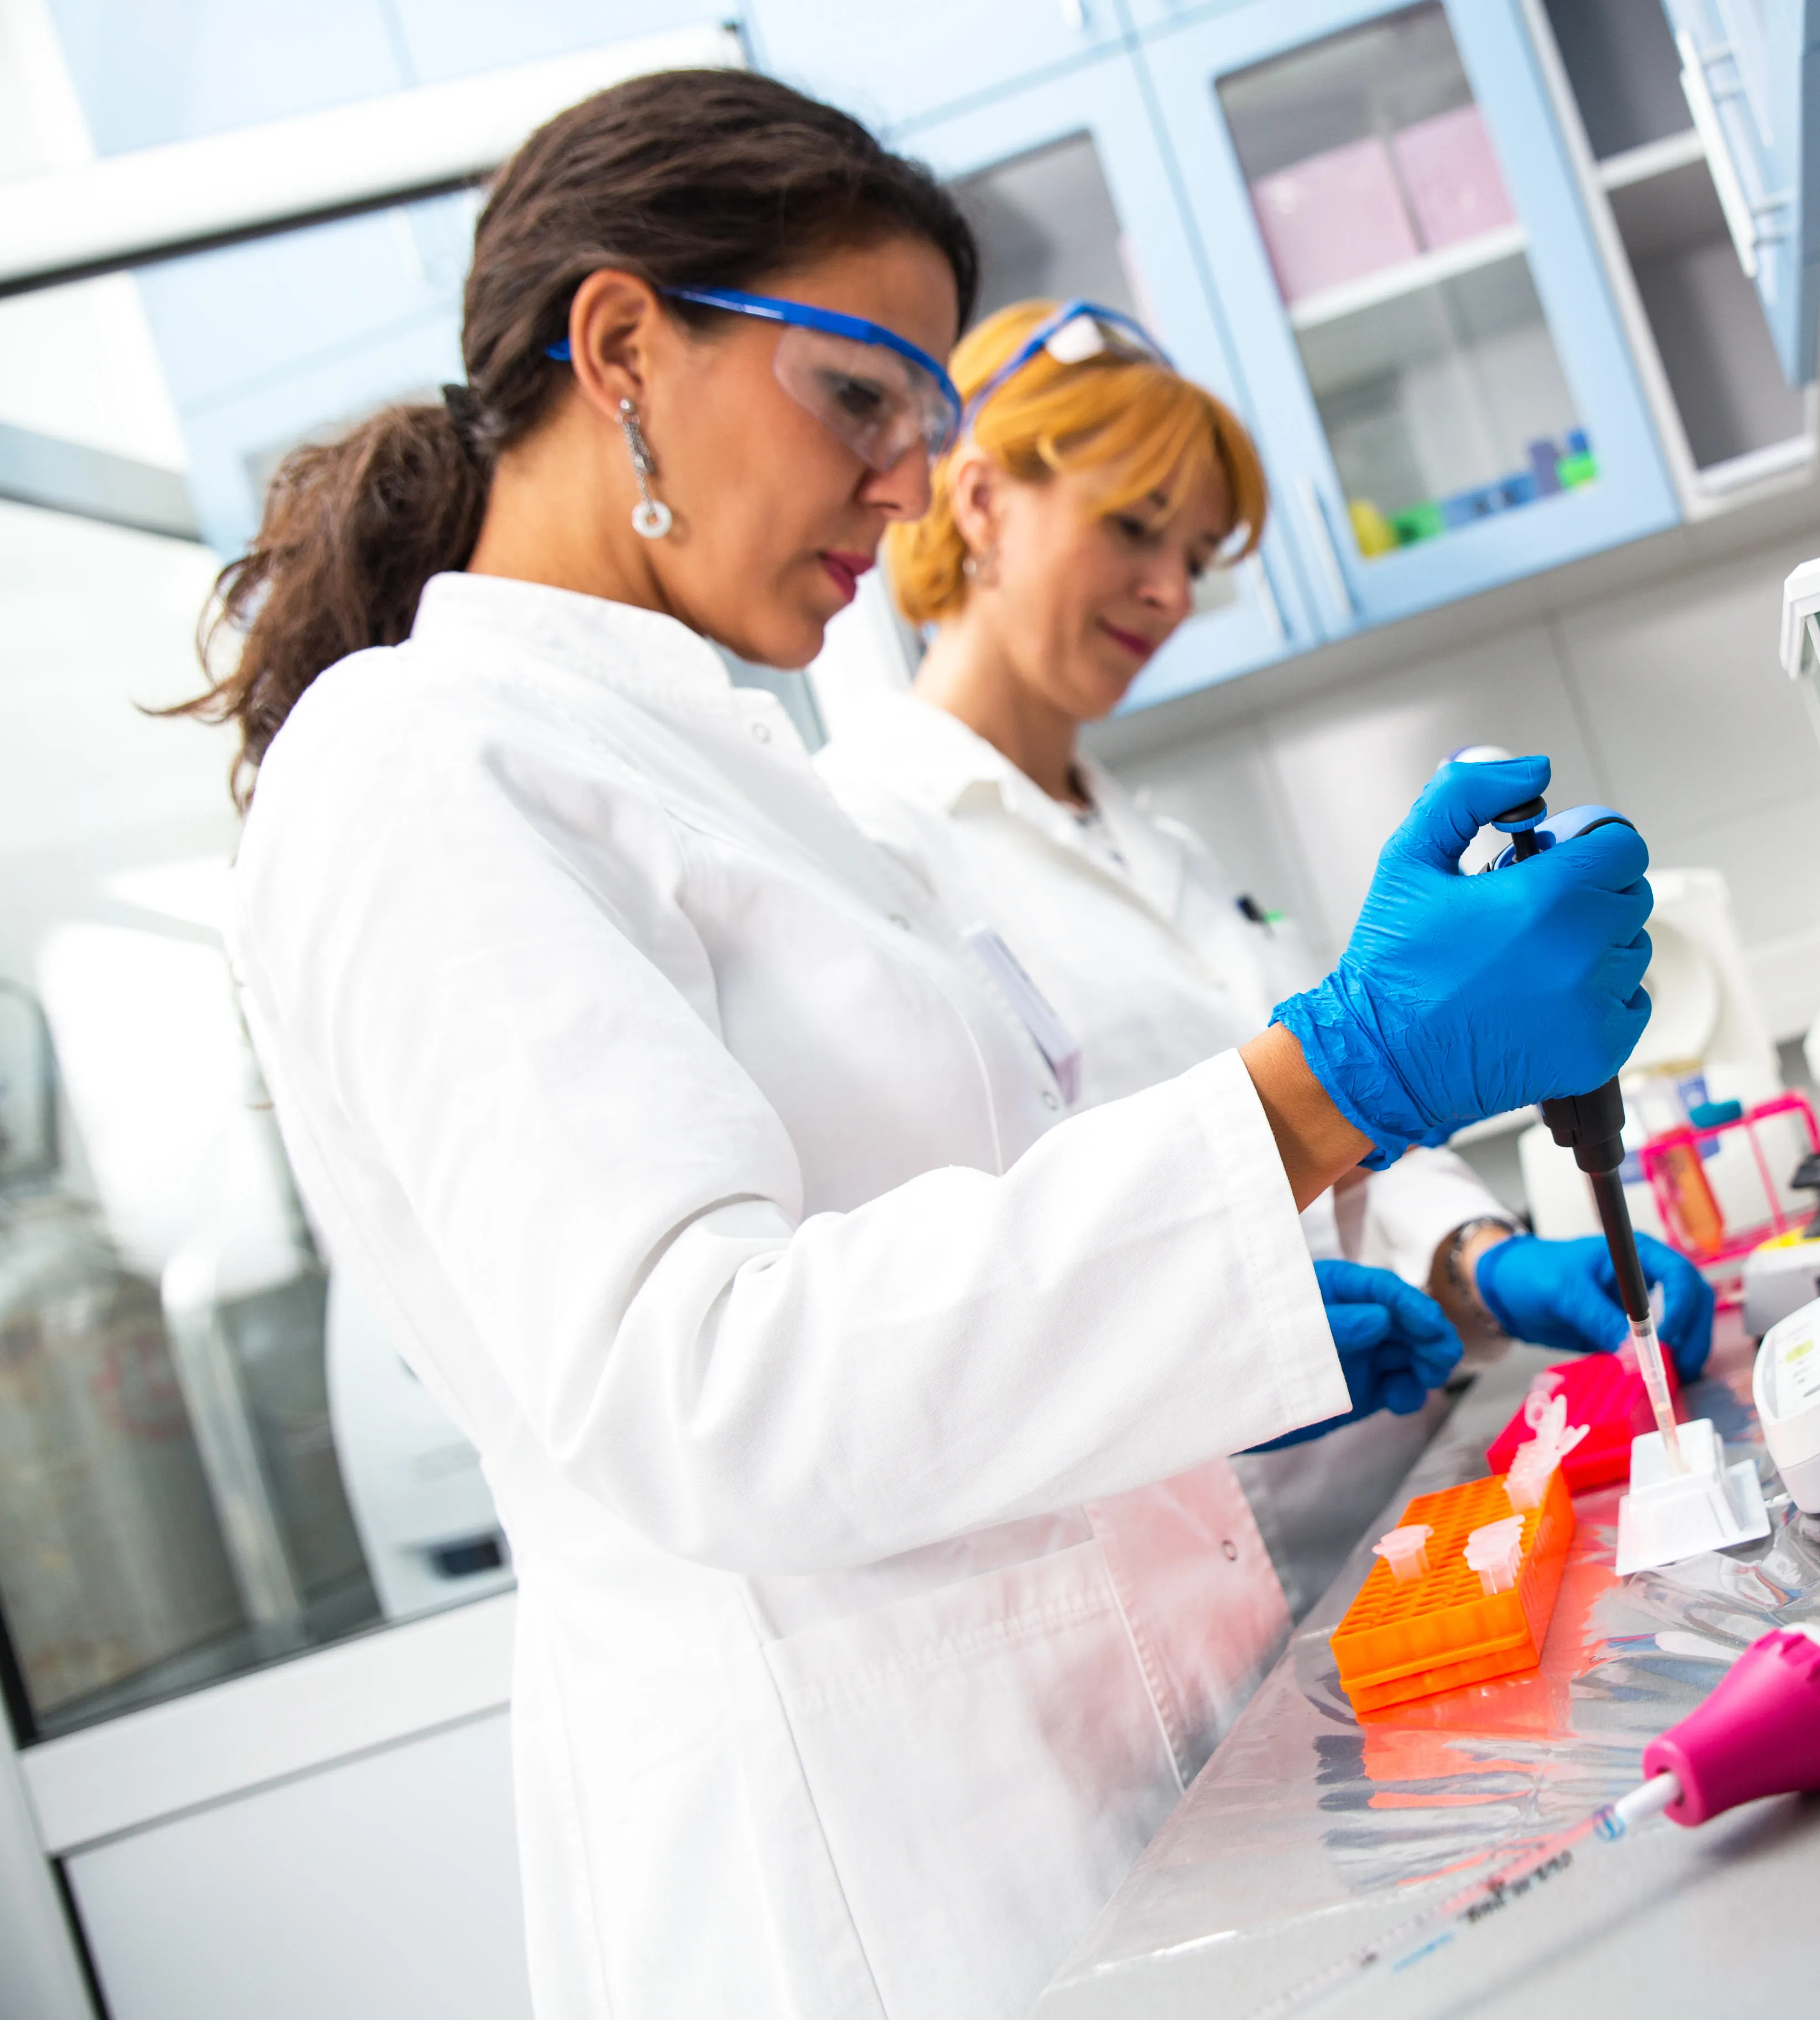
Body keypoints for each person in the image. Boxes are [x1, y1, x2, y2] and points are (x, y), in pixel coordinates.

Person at [178, 70, 1651, 2019]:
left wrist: (1236, 1361)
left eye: (924, 420)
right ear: (620, 346)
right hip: (887, 1873)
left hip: (1136, 1771)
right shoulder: (418, 764)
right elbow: (708, 1381)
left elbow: (952, 1255)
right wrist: (1322, 1089)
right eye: (858, 398)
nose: (904, 480)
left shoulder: (766, 786)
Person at [812, 298, 1715, 1607]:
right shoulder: (871, 845)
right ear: (981, 500)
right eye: (1133, 530)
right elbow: (975, 1290)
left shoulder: (1158, 847)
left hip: (1392, 1527)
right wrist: (1206, 1359)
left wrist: (1481, 1256)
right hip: (1174, 1584)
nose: (1174, 593)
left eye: (1196, 555)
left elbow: (1321, 1131)